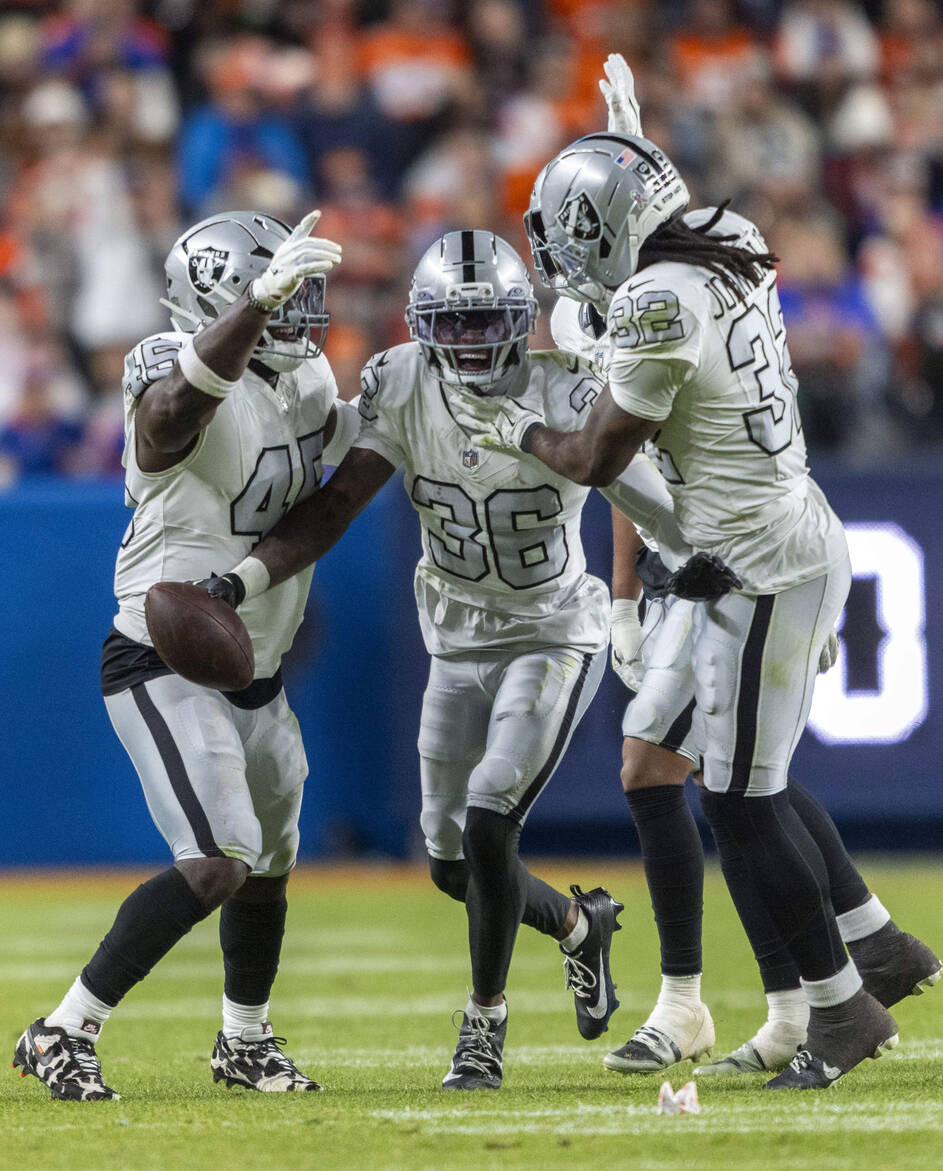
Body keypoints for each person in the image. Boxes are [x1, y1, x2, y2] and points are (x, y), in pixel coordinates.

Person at [455, 129, 917, 1090]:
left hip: (753, 566)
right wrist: (632, 150)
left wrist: (510, 424)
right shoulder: (719, 234)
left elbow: (594, 458)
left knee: (741, 798)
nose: (560, 257)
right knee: (676, 768)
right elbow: (622, 310)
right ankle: (871, 949)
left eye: (570, 232)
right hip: (757, 538)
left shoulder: (655, 302)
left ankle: (841, 1006)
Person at [197, 228, 693, 1091]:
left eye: (484, 322)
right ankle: (582, 928)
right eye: (450, 325)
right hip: (455, 640)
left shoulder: (569, 388)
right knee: (451, 864)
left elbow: (651, 503)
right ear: (422, 326)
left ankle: (483, 1028)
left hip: (549, 633)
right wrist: (242, 580)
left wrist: (639, 598)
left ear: (521, 320)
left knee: (491, 814)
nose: (467, 342)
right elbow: (340, 500)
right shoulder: (397, 381)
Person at [13, 208, 359, 1100]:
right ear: (223, 296)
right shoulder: (165, 363)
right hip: (160, 654)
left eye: (293, 297)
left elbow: (323, 506)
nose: (296, 314)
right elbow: (167, 423)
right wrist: (247, 314)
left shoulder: (308, 374)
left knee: (267, 868)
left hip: (255, 657)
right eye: (275, 297)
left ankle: (244, 1041)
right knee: (217, 860)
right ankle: (63, 1031)